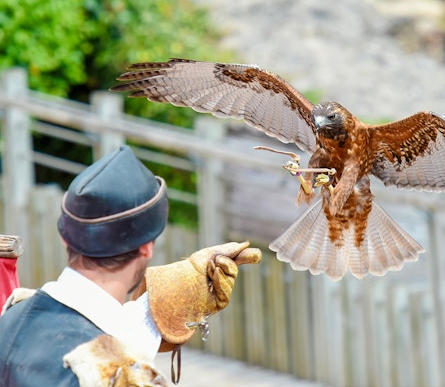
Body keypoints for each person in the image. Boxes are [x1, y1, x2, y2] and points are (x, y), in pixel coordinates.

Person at [0, 145, 261, 386]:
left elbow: (93, 334)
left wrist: (158, 305)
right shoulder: (124, 377)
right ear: (147, 246)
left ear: (64, 237)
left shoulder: (11, 317)